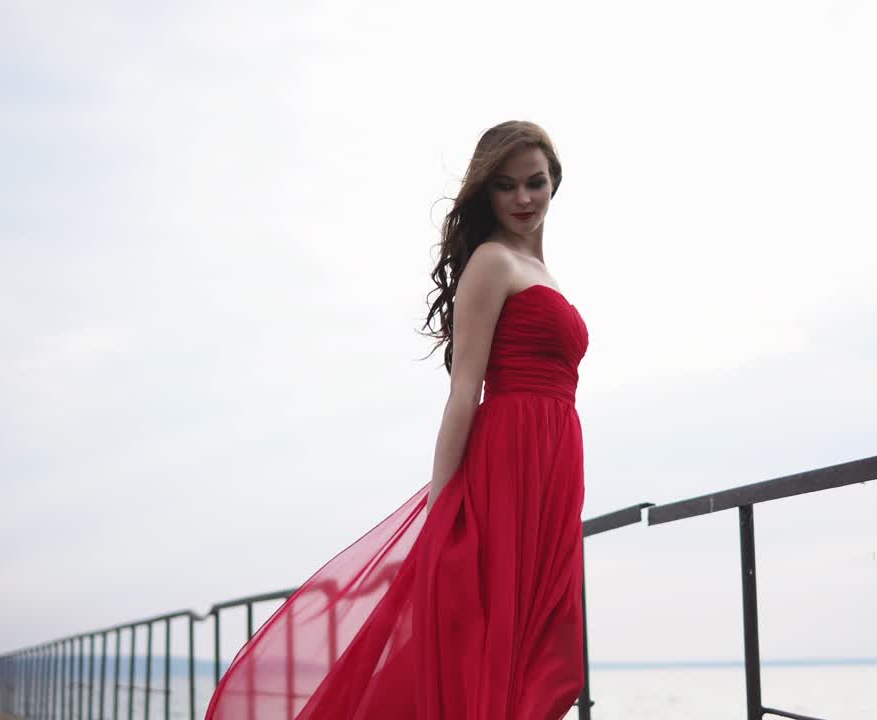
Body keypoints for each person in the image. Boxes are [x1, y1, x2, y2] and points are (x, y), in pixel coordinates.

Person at [204, 120, 590, 720]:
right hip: (508, 468)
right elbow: (464, 392)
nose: (522, 199)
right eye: (506, 186)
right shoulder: (491, 262)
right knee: (491, 644)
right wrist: (442, 511)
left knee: (543, 650)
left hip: (552, 474)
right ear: (486, 193)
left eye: (535, 183)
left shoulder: (542, 272)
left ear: (554, 183)